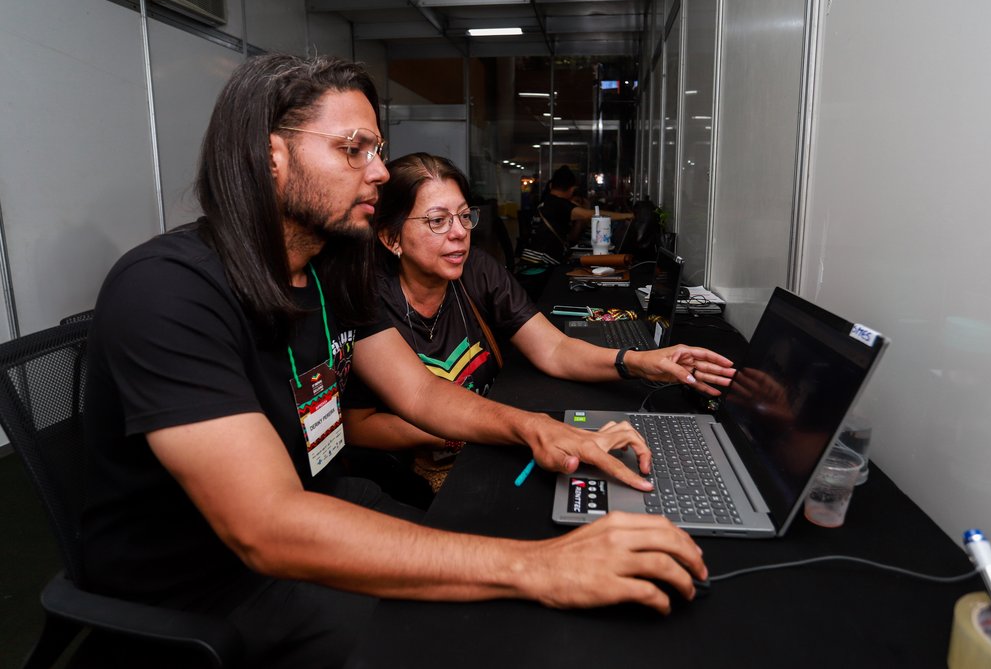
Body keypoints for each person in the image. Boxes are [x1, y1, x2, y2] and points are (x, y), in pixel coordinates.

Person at [80, 54, 708, 668]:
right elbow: (266, 527)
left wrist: (539, 427)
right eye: (354, 149)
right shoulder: (167, 289)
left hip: (331, 500)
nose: (379, 172)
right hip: (216, 585)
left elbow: (422, 394)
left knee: (524, 567)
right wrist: (535, 569)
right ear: (268, 156)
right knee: (501, 619)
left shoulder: (326, 271)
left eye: (377, 150)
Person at [341, 153, 736, 493]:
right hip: (422, 473)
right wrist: (471, 425)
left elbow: (553, 347)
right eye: (438, 221)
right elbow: (360, 426)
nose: (460, 233)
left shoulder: (476, 270)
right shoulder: (367, 299)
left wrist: (638, 362)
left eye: (464, 216)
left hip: (487, 445)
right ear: (392, 238)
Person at [519, 164, 633, 266]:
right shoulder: (559, 204)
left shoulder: (547, 201)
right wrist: (626, 216)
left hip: (531, 258)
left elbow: (572, 236)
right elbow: (594, 214)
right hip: (542, 262)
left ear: (551, 185)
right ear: (572, 189)